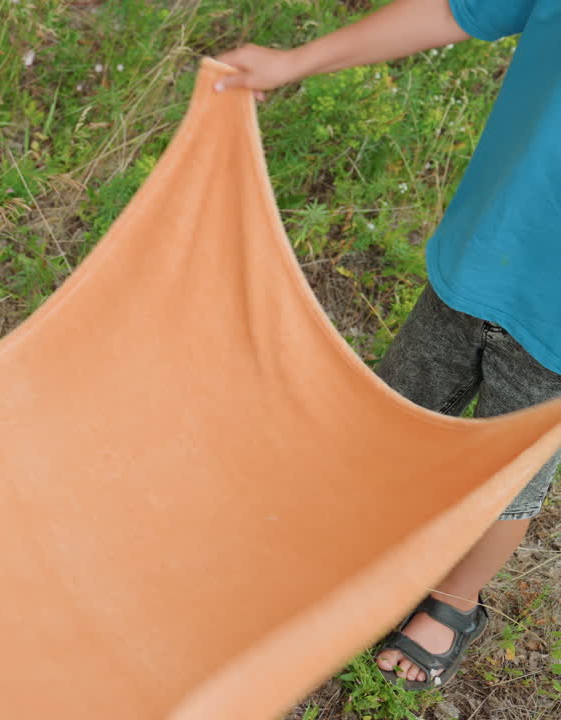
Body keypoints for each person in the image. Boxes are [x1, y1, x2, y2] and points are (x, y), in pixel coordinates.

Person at [215, 0, 561, 690]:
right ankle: (352, 533)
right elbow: (452, 10)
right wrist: (295, 62)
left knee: (508, 488)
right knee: (396, 406)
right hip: (477, 260)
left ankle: (454, 600)